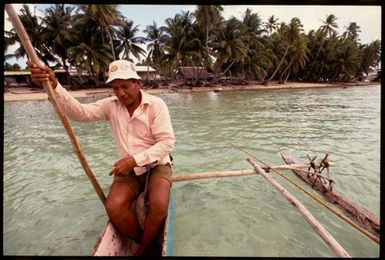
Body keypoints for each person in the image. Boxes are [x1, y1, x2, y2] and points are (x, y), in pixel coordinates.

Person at [27, 59, 176, 256]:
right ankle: (146, 244)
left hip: (157, 164)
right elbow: (81, 114)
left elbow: (166, 143)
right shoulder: (111, 105)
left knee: (158, 205)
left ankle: (140, 252)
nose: (120, 93)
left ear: (137, 83)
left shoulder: (156, 105)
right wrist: (55, 86)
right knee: (113, 208)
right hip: (128, 169)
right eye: (115, 88)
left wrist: (133, 160)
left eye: (125, 86)